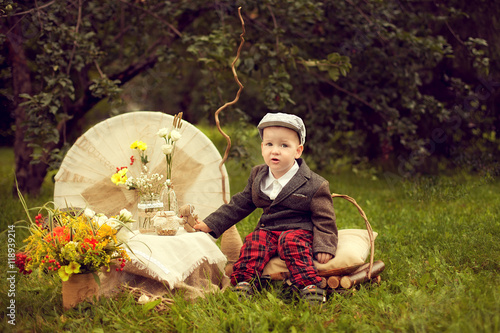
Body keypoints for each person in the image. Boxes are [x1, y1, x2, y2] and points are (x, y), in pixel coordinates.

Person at [194, 112, 338, 303]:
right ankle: (244, 282)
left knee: (292, 241)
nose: (275, 151)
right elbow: (240, 203)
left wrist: (325, 245)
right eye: (269, 144)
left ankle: (309, 285)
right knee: (254, 242)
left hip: (298, 231)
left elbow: (325, 218)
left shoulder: (314, 184)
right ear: (262, 148)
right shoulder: (258, 175)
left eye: (284, 145)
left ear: (298, 150)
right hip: (268, 230)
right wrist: (210, 223)